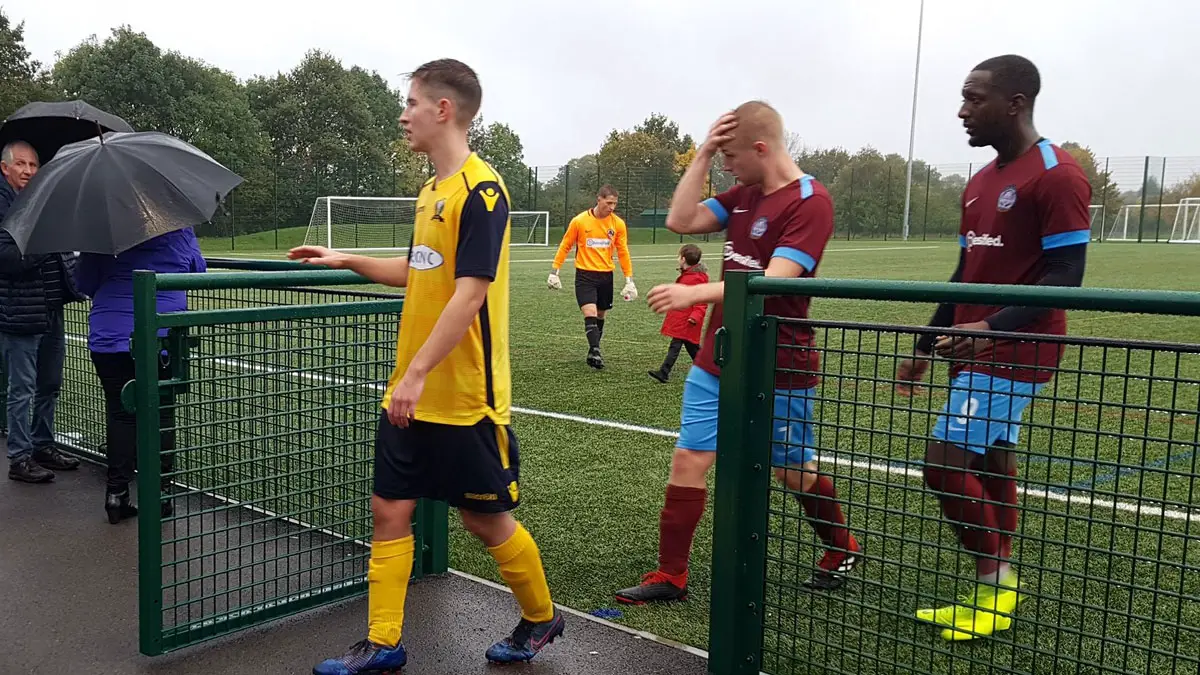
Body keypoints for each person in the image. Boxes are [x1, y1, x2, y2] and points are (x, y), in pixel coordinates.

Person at [289, 59, 563, 675]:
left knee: (483, 519)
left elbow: (469, 294)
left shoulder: (482, 192)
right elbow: (420, 274)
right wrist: (344, 259)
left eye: (411, 102)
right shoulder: (430, 193)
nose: (403, 112)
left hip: (464, 395)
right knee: (389, 509)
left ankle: (543, 618)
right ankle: (383, 642)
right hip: (411, 392)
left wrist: (413, 373)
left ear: (445, 109)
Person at [614, 101, 861, 606]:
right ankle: (671, 576)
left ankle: (841, 548)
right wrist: (702, 152)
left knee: (792, 470)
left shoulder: (811, 201)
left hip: (781, 364)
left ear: (761, 148)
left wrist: (694, 294)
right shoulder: (744, 195)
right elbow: (681, 219)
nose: (726, 166)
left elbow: (773, 281)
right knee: (689, 459)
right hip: (716, 357)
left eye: (729, 155)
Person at [896, 55, 1090, 642]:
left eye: (973, 98)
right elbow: (964, 272)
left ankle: (995, 581)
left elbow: (1065, 276)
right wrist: (926, 342)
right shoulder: (979, 183)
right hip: (972, 352)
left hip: (1017, 351)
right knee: (992, 459)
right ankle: (999, 587)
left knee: (943, 463)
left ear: (1016, 103)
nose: (961, 111)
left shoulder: (1057, 175)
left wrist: (991, 328)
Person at [74, 228, 206, 523]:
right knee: (162, 416)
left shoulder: (101, 231)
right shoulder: (178, 229)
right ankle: (161, 496)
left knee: (121, 414)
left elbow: (84, 282)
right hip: (159, 336)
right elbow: (197, 268)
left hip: (109, 335)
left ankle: (116, 495)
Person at [0, 139, 83, 483]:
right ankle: (19, 457)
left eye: (33, 165)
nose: (28, 172)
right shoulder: (4, 206)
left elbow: (59, 253)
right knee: (22, 387)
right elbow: (8, 260)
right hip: (19, 312)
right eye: (21, 164)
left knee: (49, 383)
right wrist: (44, 240)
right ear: (4, 167)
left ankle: (42, 445)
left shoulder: (38, 202)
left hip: (49, 306)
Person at [546, 186, 637, 369]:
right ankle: (595, 350)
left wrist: (629, 279)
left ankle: (593, 349)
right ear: (599, 199)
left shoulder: (617, 224)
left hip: (606, 276)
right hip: (584, 275)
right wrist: (555, 271)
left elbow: (623, 251)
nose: (612, 207)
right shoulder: (580, 221)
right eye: (609, 203)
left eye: (615, 204)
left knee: (601, 314)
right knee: (590, 313)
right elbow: (565, 245)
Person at [648, 244, 707, 383]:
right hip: (683, 319)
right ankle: (707, 370)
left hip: (687, 320)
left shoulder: (696, 278)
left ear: (683, 259)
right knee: (692, 349)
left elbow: (701, 301)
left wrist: (694, 317)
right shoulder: (689, 275)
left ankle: (664, 372)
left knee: (676, 346)